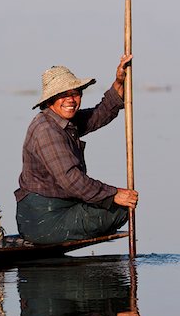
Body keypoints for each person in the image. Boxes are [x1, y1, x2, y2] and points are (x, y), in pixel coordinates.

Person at [15, 55, 138, 244]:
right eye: (63, 95)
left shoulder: (64, 121)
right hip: (42, 220)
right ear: (50, 101)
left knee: (118, 204)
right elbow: (73, 181)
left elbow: (100, 114)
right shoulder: (46, 130)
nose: (71, 99)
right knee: (122, 209)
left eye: (75, 93)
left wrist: (119, 81)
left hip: (62, 207)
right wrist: (114, 194)